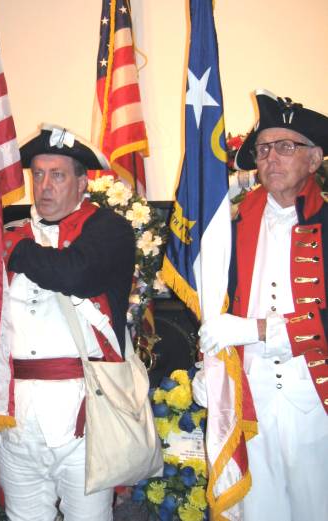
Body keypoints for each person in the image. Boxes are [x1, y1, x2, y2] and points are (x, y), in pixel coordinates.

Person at [196, 90, 328, 520]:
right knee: (260, 511)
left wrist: (255, 330)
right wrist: (210, 366)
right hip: (250, 397)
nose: (272, 158)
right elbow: (217, 304)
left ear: (315, 159)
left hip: (313, 397)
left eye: (287, 147)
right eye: (264, 148)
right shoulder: (234, 226)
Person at [0, 124, 135, 520]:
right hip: (18, 415)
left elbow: (75, 275)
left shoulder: (108, 230)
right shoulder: (13, 233)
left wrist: (16, 250)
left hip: (85, 413)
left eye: (57, 175)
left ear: (81, 182)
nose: (44, 186)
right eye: (37, 174)